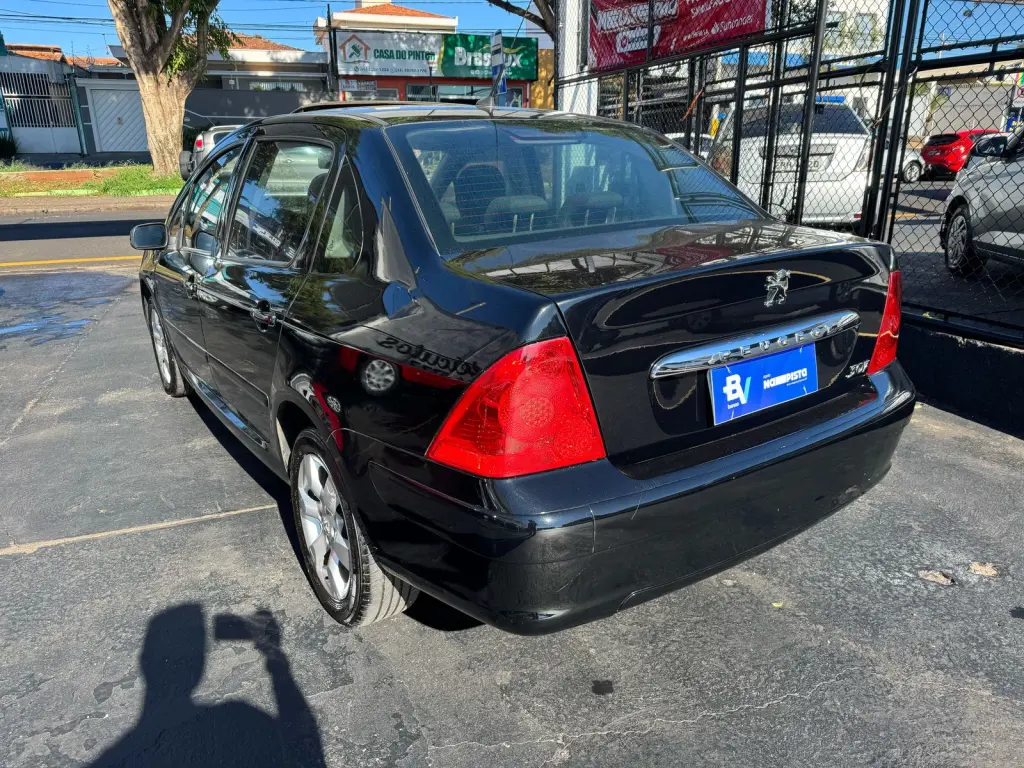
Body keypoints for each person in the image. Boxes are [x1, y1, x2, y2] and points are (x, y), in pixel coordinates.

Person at [90, 604, 325, 768]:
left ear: (143, 662)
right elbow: (310, 748)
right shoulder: (245, 717)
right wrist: (276, 660)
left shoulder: (108, 759)